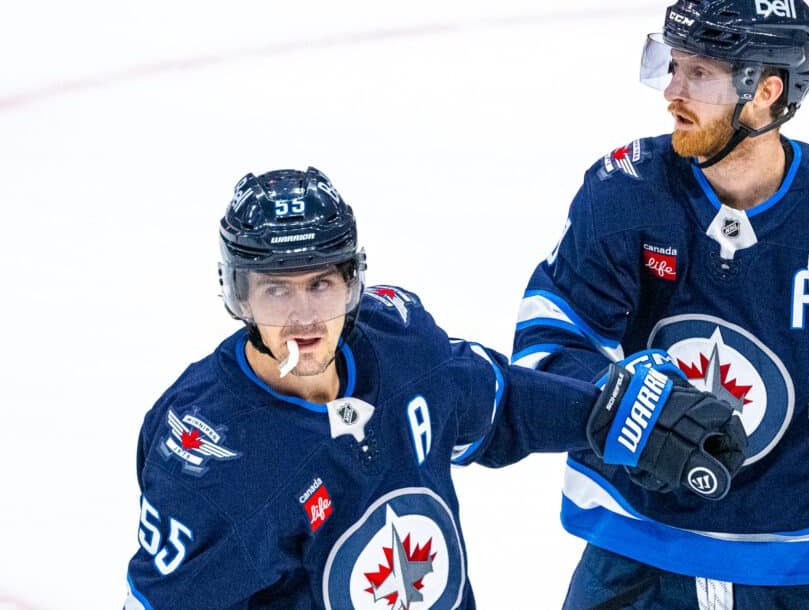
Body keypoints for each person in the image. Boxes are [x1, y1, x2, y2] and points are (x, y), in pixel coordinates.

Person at [512, 0, 809, 609]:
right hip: (637, 561)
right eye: (671, 65)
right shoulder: (625, 193)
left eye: (699, 74)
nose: (672, 92)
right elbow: (550, 337)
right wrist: (621, 402)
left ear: (766, 92)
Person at [123, 167, 738, 609]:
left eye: (321, 284)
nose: (303, 317)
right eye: (276, 289)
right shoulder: (212, 458)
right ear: (240, 295)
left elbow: (496, 405)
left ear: (353, 282)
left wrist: (610, 413)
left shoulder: (402, 347)